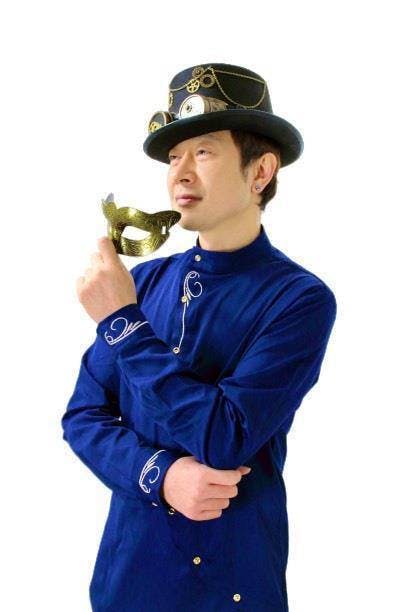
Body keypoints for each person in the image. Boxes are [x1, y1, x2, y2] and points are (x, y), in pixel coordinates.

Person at [61, 62, 337, 611]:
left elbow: (225, 437)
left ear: (261, 171)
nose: (180, 174)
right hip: (127, 582)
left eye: (204, 152)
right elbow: (83, 417)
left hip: (232, 587)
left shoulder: (299, 299)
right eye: (174, 157)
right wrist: (159, 476)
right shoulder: (142, 283)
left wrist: (123, 324)